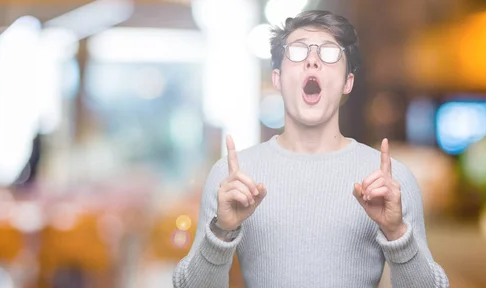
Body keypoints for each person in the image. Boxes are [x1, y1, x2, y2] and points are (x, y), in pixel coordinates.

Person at [173, 10, 449, 288]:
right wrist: (220, 232)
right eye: (298, 51)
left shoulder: (390, 181)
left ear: (347, 82)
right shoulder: (231, 178)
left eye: (329, 52)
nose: (312, 61)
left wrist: (397, 232)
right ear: (278, 79)